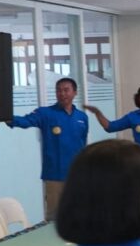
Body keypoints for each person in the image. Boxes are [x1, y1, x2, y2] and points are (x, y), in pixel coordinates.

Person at [8, 77, 89, 221]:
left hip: (77, 176)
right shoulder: (45, 113)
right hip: (54, 176)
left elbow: (83, 144)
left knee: (79, 215)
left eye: (66, 90)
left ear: (74, 92)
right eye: (59, 90)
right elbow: (25, 121)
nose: (62, 94)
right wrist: (4, 116)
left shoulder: (82, 117)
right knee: (54, 218)